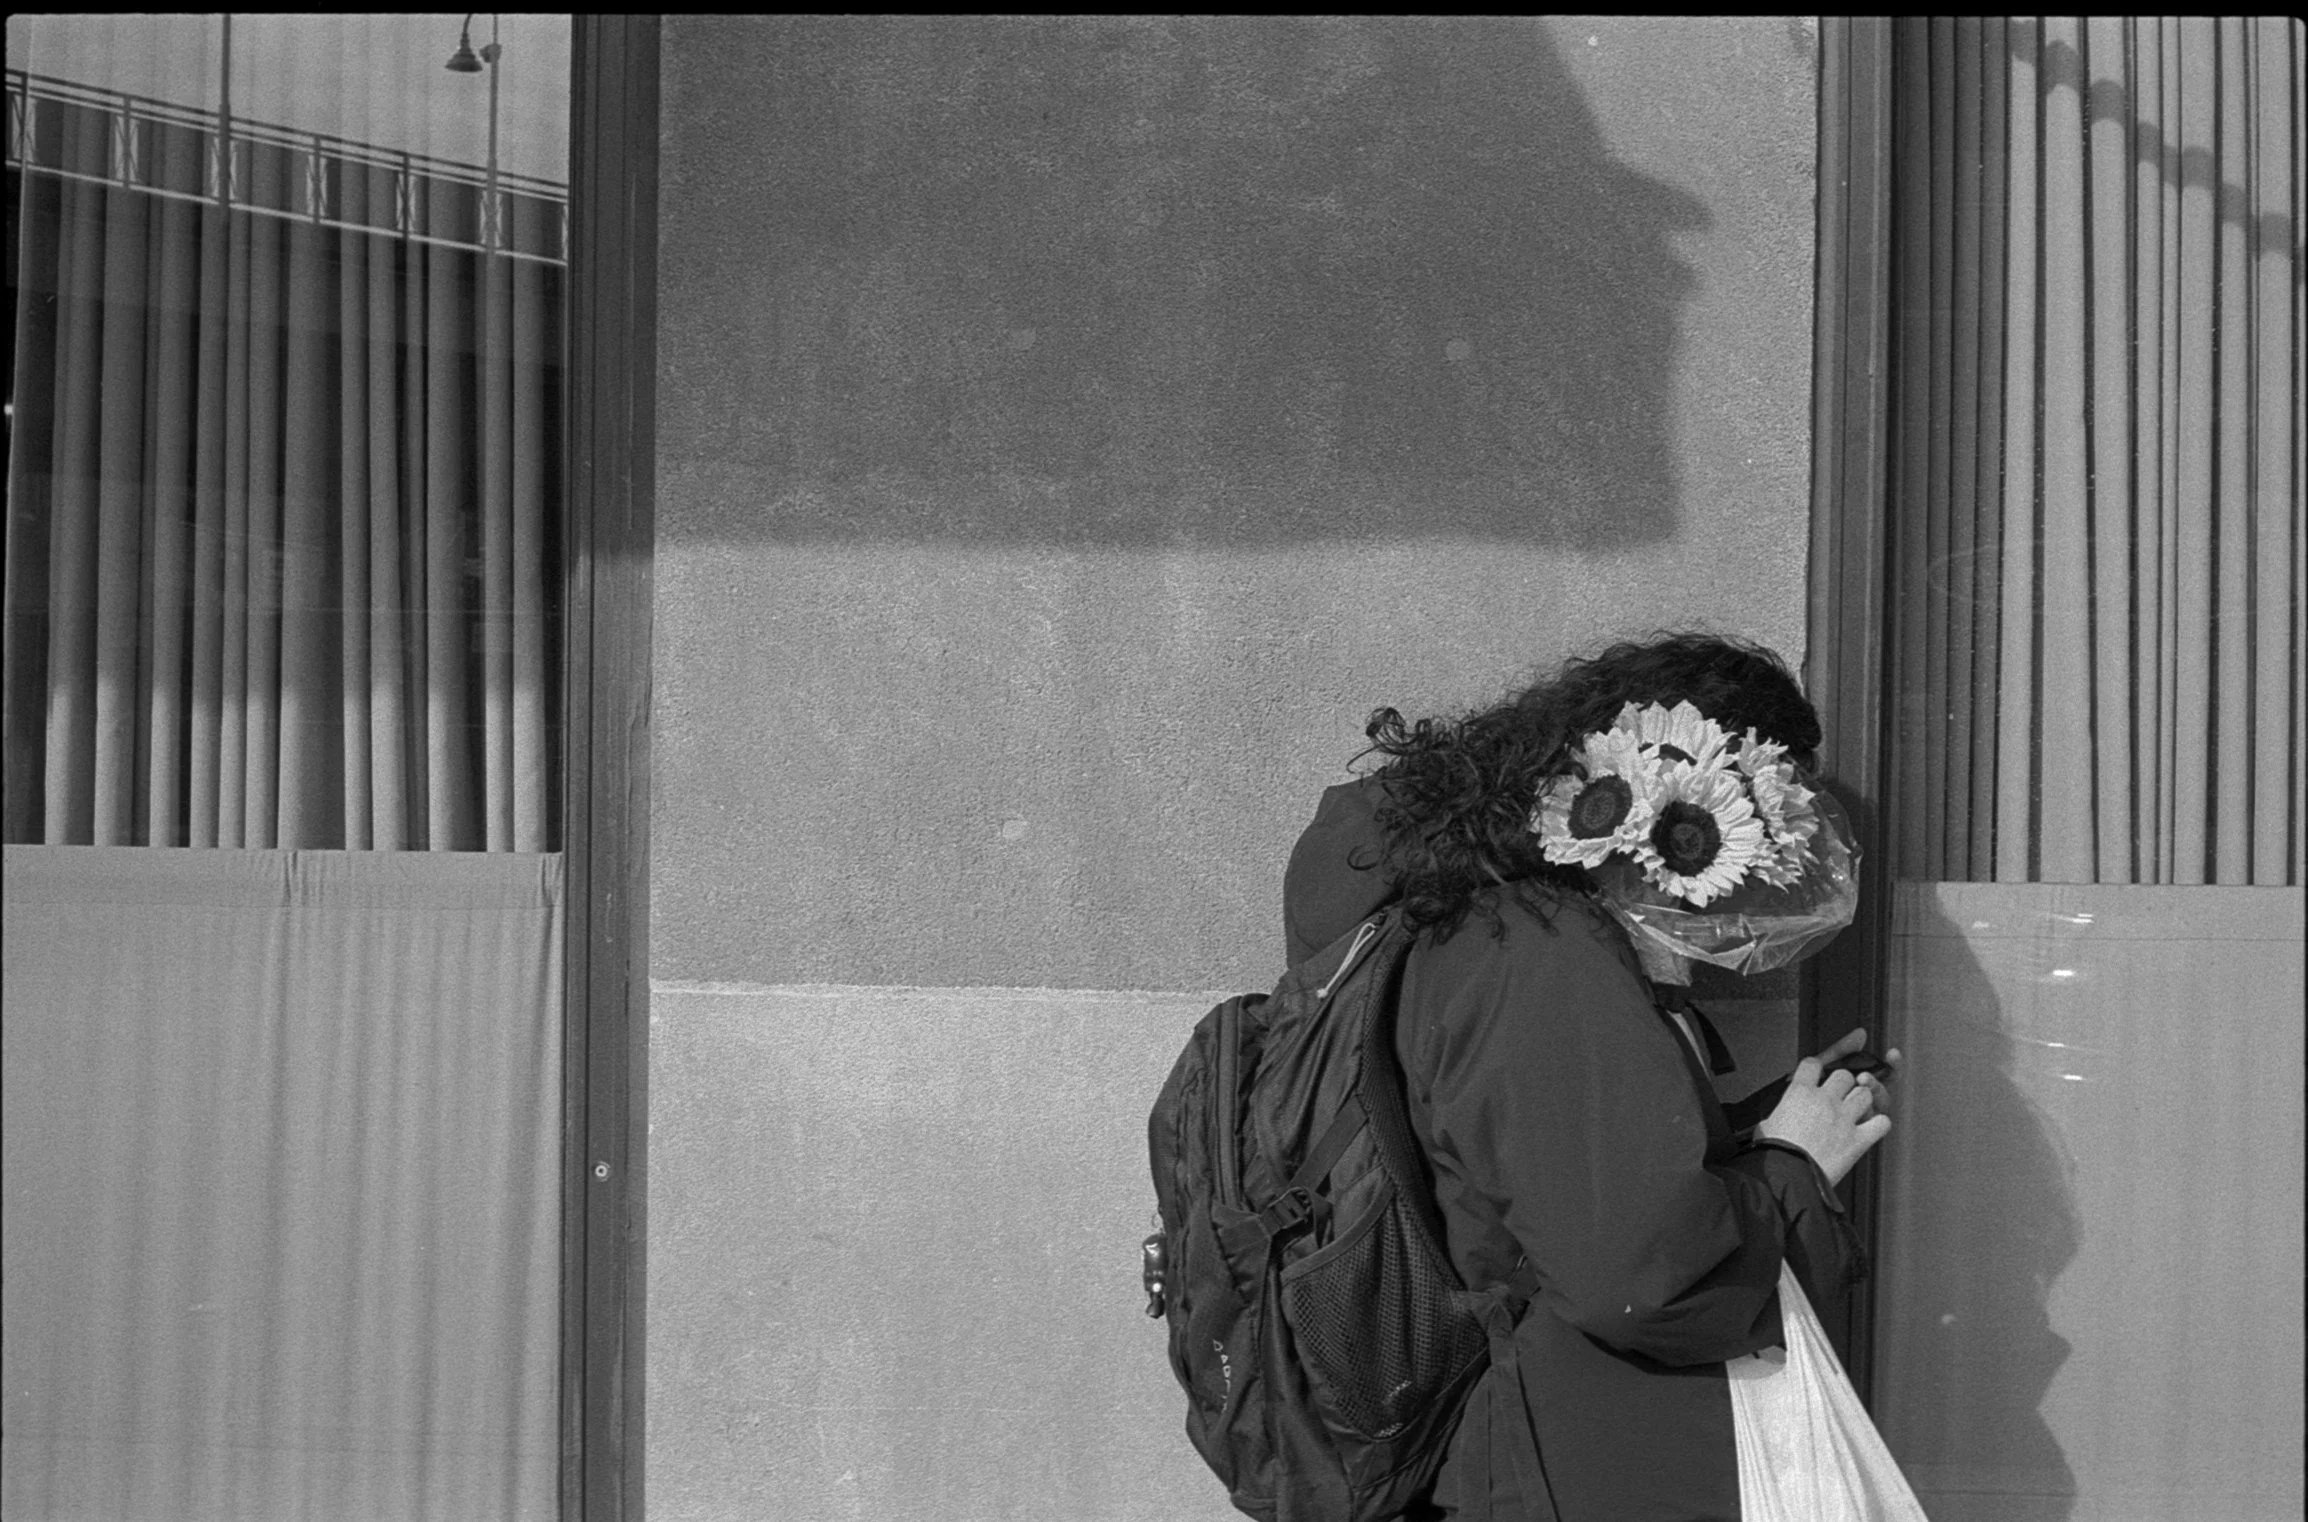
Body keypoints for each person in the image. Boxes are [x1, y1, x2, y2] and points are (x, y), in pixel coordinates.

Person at [1281, 631, 1896, 1521]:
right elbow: (1644, 1279)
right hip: (1552, 1458)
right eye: (1757, 818)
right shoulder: (1538, 948)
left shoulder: (1477, 926)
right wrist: (1795, 1169)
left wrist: (1761, 1129)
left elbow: (1545, 1185)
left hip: (1519, 1445)